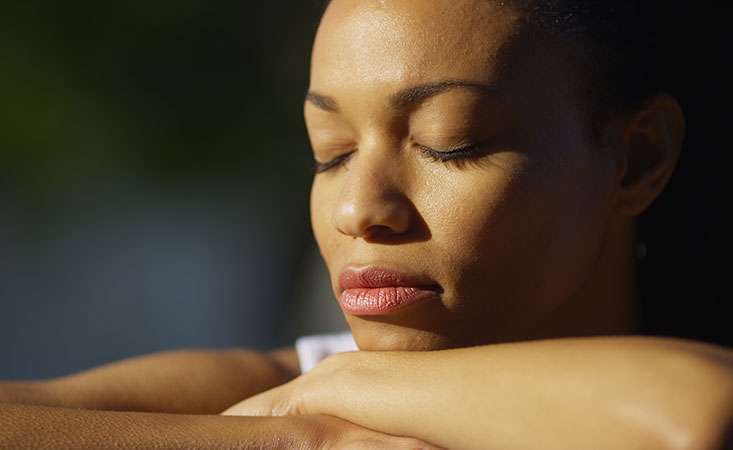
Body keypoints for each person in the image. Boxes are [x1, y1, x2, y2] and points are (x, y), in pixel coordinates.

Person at [1, 1, 731, 448]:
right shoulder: (293, 393)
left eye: (452, 141)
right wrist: (301, 438)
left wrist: (330, 395)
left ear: (636, 158)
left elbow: (694, 419)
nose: (358, 209)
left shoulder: (323, 387)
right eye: (332, 154)